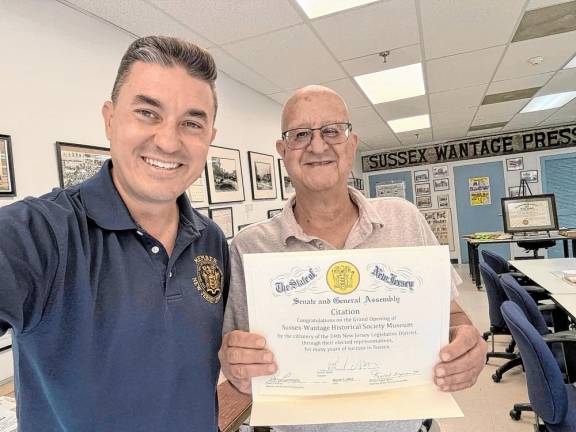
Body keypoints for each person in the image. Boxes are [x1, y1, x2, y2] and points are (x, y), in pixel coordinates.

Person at [220, 85, 487, 432]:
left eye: (332, 131)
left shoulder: (405, 219)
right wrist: (234, 362)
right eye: (301, 135)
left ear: (352, 143)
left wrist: (468, 345)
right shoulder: (249, 246)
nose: (318, 146)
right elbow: (237, 350)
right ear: (283, 151)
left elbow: (451, 314)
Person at [0, 36, 229, 431]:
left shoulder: (211, 239)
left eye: (191, 123)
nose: (168, 141)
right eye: (147, 113)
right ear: (110, 119)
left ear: (209, 137)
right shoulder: (42, 233)